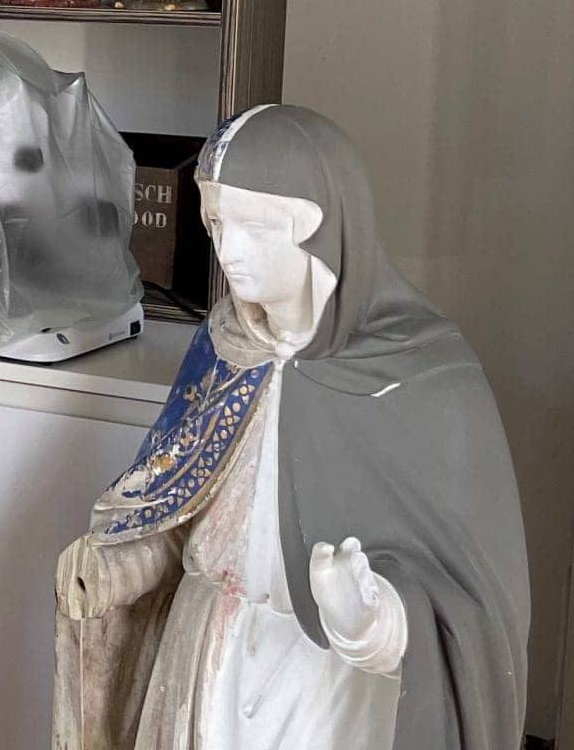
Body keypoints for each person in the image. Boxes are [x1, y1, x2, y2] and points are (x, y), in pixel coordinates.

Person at [54, 104, 529, 749]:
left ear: (318, 230)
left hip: (327, 690)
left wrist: (371, 623)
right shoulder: (226, 347)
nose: (227, 251)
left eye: (252, 226)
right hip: (201, 659)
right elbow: (178, 508)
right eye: (216, 223)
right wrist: (127, 564)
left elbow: (472, 609)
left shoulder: (423, 376)